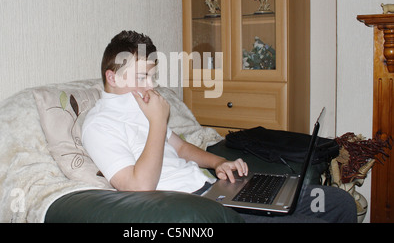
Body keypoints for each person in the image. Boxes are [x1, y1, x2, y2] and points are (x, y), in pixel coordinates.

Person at [82, 30, 357, 223]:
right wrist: (157, 121)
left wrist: (218, 163)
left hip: (214, 189)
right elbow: (138, 187)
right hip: (194, 209)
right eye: (143, 76)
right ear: (113, 77)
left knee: (338, 202)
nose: (152, 86)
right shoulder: (100, 124)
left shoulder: (142, 104)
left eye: (153, 76)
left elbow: (179, 147)